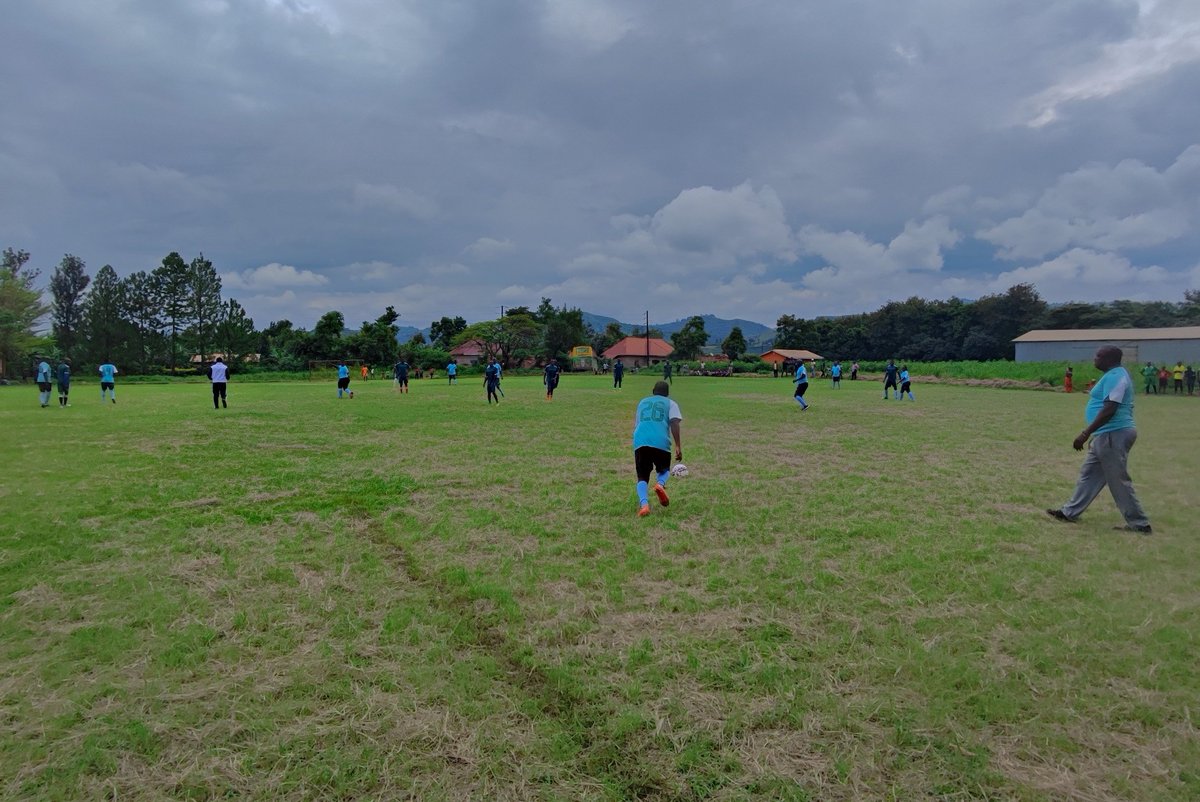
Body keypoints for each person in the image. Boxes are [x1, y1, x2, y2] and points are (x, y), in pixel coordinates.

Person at [1046, 345, 1151, 534]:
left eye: (1099, 356)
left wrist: (1085, 433)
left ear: (1110, 359)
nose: (1095, 359)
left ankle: (1139, 524)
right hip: (1106, 434)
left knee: (1118, 480)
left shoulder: (1116, 376)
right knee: (1089, 475)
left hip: (1114, 433)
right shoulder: (1113, 375)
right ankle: (1069, 512)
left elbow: (1110, 408)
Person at [631, 380, 683, 517]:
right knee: (664, 470)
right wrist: (678, 445)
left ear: (653, 391)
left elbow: (637, 424)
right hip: (660, 441)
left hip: (640, 440)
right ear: (667, 393)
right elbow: (675, 423)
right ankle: (660, 484)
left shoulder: (642, 402)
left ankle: (644, 505)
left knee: (642, 476)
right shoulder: (671, 403)